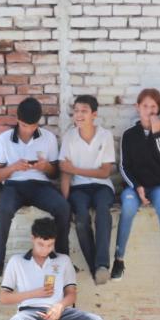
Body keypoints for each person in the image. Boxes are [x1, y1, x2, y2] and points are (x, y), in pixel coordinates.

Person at [0, 97, 69, 276]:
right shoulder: (4, 139)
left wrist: (45, 167)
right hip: (14, 186)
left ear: (38, 122)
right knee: (4, 211)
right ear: (17, 120)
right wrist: (13, 167)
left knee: (63, 207)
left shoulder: (49, 138)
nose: (29, 130)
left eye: (33, 126)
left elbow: (55, 174)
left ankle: (63, 259)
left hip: (41, 185)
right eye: (24, 125)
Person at [116, 88, 160, 281]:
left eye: (153, 106)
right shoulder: (129, 135)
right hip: (134, 187)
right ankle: (119, 259)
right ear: (138, 108)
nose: (149, 110)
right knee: (127, 205)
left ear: (159, 109)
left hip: (159, 186)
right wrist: (136, 186)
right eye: (145, 106)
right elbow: (123, 166)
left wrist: (156, 134)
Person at [59, 95, 118, 283]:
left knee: (102, 212)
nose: (79, 115)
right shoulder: (69, 137)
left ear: (94, 115)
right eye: (76, 111)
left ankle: (102, 265)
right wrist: (64, 200)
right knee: (82, 218)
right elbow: (65, 174)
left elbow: (105, 172)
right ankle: (96, 269)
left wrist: (74, 169)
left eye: (83, 111)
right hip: (79, 188)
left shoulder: (105, 135)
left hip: (102, 187)